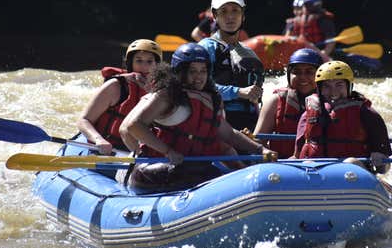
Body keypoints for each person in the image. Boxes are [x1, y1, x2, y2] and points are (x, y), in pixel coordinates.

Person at [117, 43, 276, 190]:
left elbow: (227, 133)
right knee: (197, 174)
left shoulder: (211, 99)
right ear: (179, 72)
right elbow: (133, 125)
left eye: (203, 71)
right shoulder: (166, 95)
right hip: (157, 168)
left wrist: (260, 149)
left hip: (195, 169)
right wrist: (168, 151)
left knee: (208, 170)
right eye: (192, 71)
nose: (198, 77)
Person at [294, 60, 392, 173]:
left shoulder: (368, 113)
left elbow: (385, 167)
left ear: (349, 86)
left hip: (354, 173)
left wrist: (380, 161)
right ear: (319, 89)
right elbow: (296, 158)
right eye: (326, 86)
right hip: (317, 172)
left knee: (350, 163)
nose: (333, 92)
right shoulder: (307, 114)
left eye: (339, 85)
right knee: (308, 164)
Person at [76, 39, 162, 154]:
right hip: (104, 149)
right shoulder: (115, 86)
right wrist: (99, 140)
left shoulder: (160, 92)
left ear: (157, 65)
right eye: (139, 61)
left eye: (149, 62)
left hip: (135, 151)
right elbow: (84, 120)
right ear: (130, 63)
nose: (144, 66)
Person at [198, 0, 264, 131]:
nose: (230, 17)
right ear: (215, 16)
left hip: (249, 121)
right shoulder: (205, 48)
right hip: (216, 118)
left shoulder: (249, 53)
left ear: (243, 15)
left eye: (235, 10)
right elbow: (198, 86)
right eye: (224, 11)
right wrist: (238, 92)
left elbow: (255, 98)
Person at [253, 48, 323, 158]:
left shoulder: (330, 101)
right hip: (283, 165)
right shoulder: (275, 101)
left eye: (309, 72)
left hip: (321, 164)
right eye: (297, 72)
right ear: (289, 75)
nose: (303, 77)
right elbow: (258, 141)